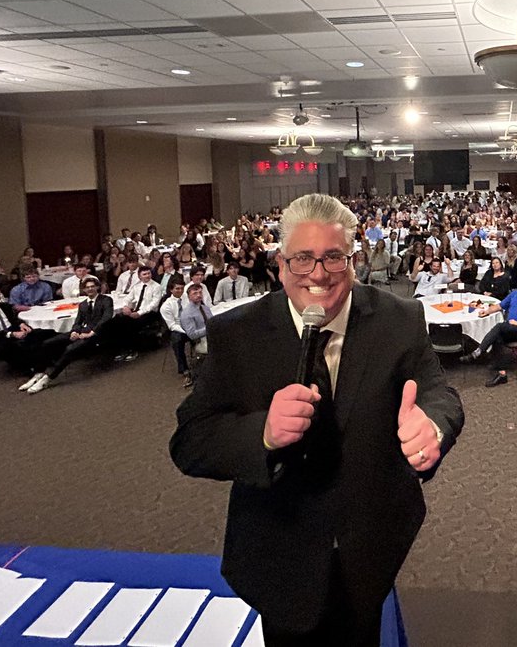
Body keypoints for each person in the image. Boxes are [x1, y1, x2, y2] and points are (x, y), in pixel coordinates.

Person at [170, 193, 463, 645]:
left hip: (371, 546)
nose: (319, 275)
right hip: (279, 550)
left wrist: (433, 426)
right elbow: (190, 439)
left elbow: (439, 393)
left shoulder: (399, 318)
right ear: (280, 264)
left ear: (353, 260)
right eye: (303, 259)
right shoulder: (237, 333)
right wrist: (263, 434)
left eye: (333, 258)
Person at [24, 276, 115, 393]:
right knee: (47, 343)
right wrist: (74, 331)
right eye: (87, 287)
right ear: (84, 290)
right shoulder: (83, 304)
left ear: (97, 287)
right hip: (83, 331)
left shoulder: (106, 300)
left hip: (98, 332)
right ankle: (39, 373)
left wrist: (92, 333)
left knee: (70, 349)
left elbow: (106, 318)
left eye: (93, 286)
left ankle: (48, 378)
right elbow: (78, 322)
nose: (90, 289)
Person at [467, 269, 517, 388]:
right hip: (510, 328)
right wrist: (487, 311)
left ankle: (479, 351)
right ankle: (502, 374)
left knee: (500, 326)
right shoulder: (514, 294)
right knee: (498, 337)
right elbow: (499, 306)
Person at [0, 285, 54, 372]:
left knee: (42, 333)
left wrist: (21, 324)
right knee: (14, 346)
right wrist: (12, 334)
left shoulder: (5, 306)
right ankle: (30, 368)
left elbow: (14, 319)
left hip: (13, 329)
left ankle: (44, 361)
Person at [159, 278, 192, 387]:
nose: (180, 291)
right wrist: (186, 331)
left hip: (192, 324)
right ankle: (184, 369)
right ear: (171, 290)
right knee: (176, 340)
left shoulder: (188, 298)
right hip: (179, 328)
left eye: (182, 288)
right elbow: (172, 325)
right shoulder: (166, 306)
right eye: (177, 289)